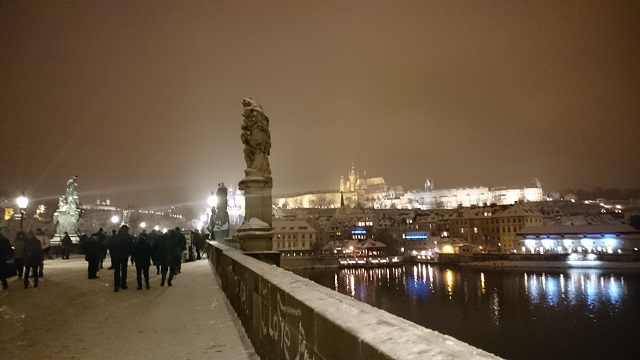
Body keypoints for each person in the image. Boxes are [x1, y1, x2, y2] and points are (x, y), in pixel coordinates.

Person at [109, 225, 134, 292]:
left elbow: (111, 246)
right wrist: (128, 254)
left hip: (116, 256)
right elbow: (131, 247)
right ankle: (123, 284)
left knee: (116, 271)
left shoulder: (116, 237)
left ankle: (116, 285)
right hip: (124, 256)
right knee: (124, 270)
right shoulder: (128, 238)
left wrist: (113, 254)